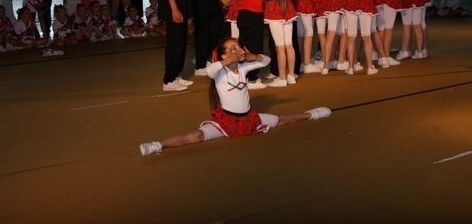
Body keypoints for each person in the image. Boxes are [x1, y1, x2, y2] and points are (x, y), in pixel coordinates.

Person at [139, 37, 331, 156]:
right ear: (222, 55)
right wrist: (226, 61)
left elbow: (267, 60)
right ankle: (157, 144)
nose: (236, 50)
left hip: (247, 117)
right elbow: (209, 71)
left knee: (282, 120)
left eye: (238, 47)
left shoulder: (243, 67)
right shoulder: (220, 72)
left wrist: (252, 57)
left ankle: (311, 114)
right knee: (197, 136)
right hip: (226, 121)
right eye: (231, 48)